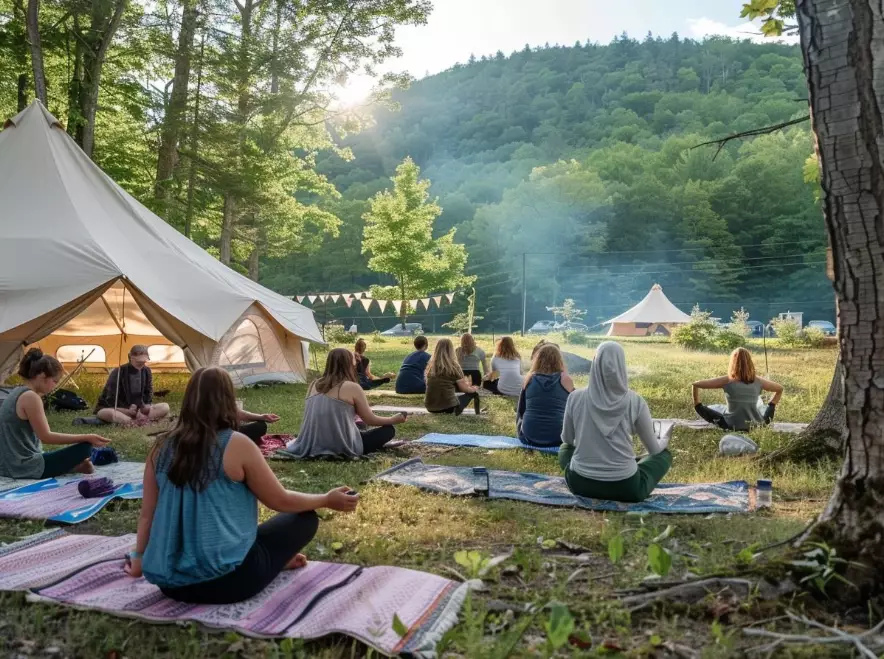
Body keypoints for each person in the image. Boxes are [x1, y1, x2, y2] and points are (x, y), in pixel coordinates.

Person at [124, 366, 359, 604]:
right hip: (230, 582)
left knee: (241, 535)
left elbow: (147, 515)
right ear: (229, 400)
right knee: (304, 519)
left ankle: (274, 559)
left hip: (171, 585)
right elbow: (280, 501)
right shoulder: (237, 444)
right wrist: (327, 499)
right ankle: (274, 561)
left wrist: (138, 560)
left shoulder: (160, 447)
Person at [558, 341, 672, 503]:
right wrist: (664, 440)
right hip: (627, 488)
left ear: (595, 363)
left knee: (565, 449)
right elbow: (654, 450)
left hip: (579, 484)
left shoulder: (575, 397)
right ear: (621, 365)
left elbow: (567, 440)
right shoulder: (636, 401)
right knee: (664, 454)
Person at [0, 349, 110, 479]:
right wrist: (86, 437)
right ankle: (72, 466)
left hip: (7, 465)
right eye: (55, 381)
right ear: (42, 376)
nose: (55, 386)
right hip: (22, 466)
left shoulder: (16, 392)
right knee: (85, 448)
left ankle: (73, 467)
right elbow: (46, 437)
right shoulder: (30, 397)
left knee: (78, 452)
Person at [284, 349, 407, 458]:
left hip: (311, 442)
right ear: (350, 364)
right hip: (342, 445)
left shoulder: (313, 384)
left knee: (360, 425)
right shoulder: (352, 387)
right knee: (388, 430)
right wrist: (393, 419)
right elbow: (370, 419)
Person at [692, 347, 783, 431]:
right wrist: (772, 404)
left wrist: (697, 405)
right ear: (749, 362)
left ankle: (699, 407)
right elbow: (780, 389)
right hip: (757, 425)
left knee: (709, 408)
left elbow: (696, 384)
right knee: (764, 408)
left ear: (733, 362)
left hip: (731, 425)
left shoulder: (726, 380)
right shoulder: (759, 381)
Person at [517, 344, 575, 448]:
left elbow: (521, 410)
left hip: (529, 436)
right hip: (559, 437)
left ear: (537, 359)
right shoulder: (566, 380)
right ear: (559, 360)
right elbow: (574, 410)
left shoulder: (529, 379)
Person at [96, 345, 170, 424]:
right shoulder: (118, 372)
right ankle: (134, 422)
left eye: (143, 362)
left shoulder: (146, 371)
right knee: (105, 413)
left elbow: (148, 392)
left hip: (139, 409)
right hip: (119, 409)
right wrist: (128, 410)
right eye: (138, 362)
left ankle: (141, 420)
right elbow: (110, 398)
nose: (141, 365)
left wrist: (145, 406)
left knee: (164, 407)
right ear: (131, 357)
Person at [425, 339, 482, 415]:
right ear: (451, 350)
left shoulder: (431, 366)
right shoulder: (454, 366)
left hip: (430, 407)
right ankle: (477, 413)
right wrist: (474, 388)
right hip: (447, 407)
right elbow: (464, 389)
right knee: (473, 393)